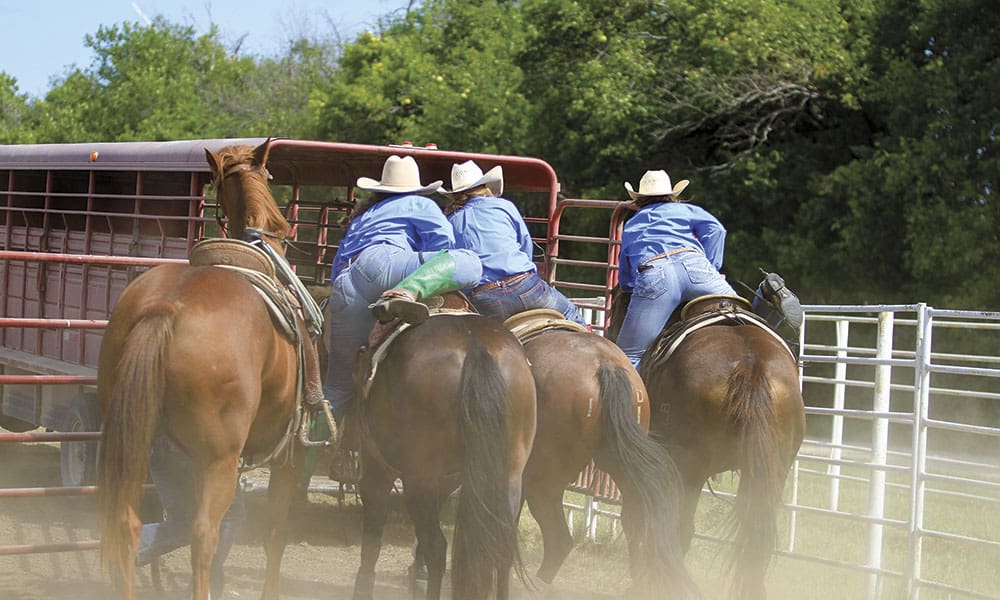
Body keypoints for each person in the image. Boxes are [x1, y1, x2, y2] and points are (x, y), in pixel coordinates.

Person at [324, 155, 482, 424]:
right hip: (385, 263)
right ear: (416, 187)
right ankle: (406, 292)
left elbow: (337, 267)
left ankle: (306, 458)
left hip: (346, 284)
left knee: (337, 386)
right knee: (470, 262)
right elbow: (446, 247)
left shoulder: (364, 215)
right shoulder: (420, 203)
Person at [437, 160, 588, 327]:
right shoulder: (503, 206)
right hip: (525, 286)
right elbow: (525, 245)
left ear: (453, 195)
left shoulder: (450, 221)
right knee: (570, 313)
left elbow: (450, 266)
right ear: (485, 185)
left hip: (484, 296)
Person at [614, 169, 738, 368]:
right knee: (743, 316)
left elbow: (626, 276)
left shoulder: (633, 223)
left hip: (655, 274)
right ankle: (768, 310)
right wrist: (712, 265)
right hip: (697, 267)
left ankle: (631, 397)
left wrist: (630, 288)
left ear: (640, 199)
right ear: (673, 194)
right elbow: (716, 230)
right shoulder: (687, 211)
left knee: (628, 357)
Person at [137, 435, 245, 599]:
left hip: (160, 448)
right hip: (193, 447)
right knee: (228, 513)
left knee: (185, 523)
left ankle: (128, 546)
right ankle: (203, 588)